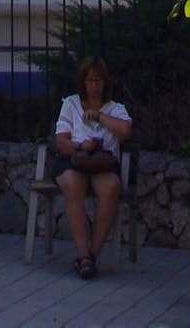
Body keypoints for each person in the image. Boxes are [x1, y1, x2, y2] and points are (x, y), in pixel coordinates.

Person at [54, 55, 132, 279]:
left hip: (103, 164)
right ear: (83, 82)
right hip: (75, 160)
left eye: (98, 80)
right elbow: (61, 141)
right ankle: (83, 253)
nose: (94, 85)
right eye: (90, 80)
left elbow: (126, 131)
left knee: (110, 188)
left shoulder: (115, 108)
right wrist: (80, 146)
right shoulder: (70, 104)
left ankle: (90, 256)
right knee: (72, 185)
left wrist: (99, 117)